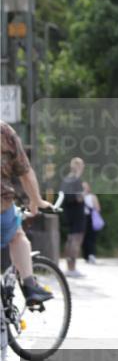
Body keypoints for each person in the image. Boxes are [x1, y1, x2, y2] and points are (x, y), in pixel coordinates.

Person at [0, 121, 55, 305]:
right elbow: (25, 172)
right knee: (17, 234)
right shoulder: (4, 131)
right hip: (2, 208)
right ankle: (30, 285)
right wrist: (36, 200)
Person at [59, 157, 87, 278]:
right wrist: (85, 192)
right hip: (77, 214)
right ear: (78, 167)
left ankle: (68, 267)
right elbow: (78, 198)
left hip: (68, 214)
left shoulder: (66, 179)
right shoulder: (76, 180)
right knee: (76, 239)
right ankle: (73, 268)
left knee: (70, 239)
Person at [81, 181, 103, 264]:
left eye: (85, 187)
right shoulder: (80, 196)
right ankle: (86, 255)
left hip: (90, 218)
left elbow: (97, 208)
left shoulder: (92, 197)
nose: (84, 189)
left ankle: (91, 254)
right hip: (82, 218)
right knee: (83, 238)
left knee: (91, 237)